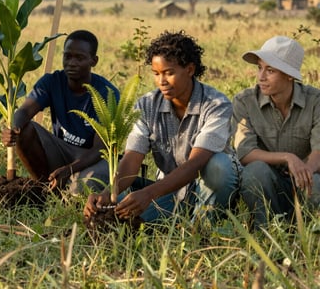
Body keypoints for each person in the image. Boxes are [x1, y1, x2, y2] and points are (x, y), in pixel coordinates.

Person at [84, 31, 240, 224]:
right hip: (170, 191)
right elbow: (132, 159)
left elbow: (196, 164)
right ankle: (174, 219)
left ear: (190, 69)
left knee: (219, 166)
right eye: (156, 74)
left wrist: (149, 194)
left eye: (169, 73)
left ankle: (202, 228)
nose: (161, 82)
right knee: (117, 217)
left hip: (209, 189)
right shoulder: (147, 105)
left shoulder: (216, 105)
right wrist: (109, 193)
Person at [1, 29, 119, 192]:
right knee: (25, 130)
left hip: (93, 157)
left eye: (79, 58)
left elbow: (100, 149)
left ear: (94, 61)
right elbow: (24, 112)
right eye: (67, 56)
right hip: (61, 149)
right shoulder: (52, 82)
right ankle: (44, 188)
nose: (71, 63)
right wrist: (12, 128)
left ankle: (68, 187)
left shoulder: (107, 93)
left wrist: (69, 170)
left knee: (80, 188)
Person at [233, 35, 320, 228]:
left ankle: (307, 234)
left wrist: (306, 170)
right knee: (254, 171)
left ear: (289, 75)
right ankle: (265, 231)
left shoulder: (315, 101)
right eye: (259, 68)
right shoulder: (245, 101)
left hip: (304, 182)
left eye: (270, 70)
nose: (261, 77)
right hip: (269, 182)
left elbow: (318, 149)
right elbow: (245, 152)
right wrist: (288, 157)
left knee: (316, 183)